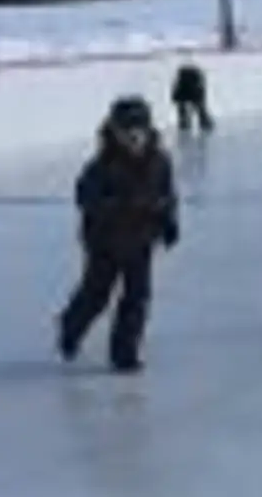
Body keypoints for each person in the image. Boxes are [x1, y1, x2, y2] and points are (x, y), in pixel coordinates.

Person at [58, 96, 180, 374]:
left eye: (140, 130)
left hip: (141, 240)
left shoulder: (160, 161)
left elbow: (167, 195)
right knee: (96, 295)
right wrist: (114, 205)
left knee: (137, 297)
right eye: (127, 131)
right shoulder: (101, 167)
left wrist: (169, 222)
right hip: (105, 243)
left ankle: (124, 352)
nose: (134, 137)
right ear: (114, 132)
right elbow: (84, 197)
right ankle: (71, 327)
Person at [170, 62, 213, 134]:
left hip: (190, 83)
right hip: (188, 84)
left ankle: (186, 127)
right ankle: (185, 127)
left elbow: (175, 97)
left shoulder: (194, 85)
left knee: (197, 111)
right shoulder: (184, 85)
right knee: (190, 113)